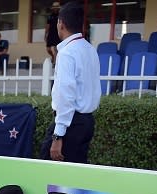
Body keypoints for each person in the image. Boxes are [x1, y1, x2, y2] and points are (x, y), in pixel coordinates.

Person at [40, 1, 100, 164]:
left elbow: (65, 95)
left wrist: (58, 135)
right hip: (86, 122)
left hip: (70, 124)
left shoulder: (67, 53)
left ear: (61, 23)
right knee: (75, 176)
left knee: (51, 172)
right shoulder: (90, 49)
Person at [45, 2, 61, 67]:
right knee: (48, 49)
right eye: (54, 8)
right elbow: (47, 26)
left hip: (57, 34)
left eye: (56, 8)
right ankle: (54, 57)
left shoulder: (61, 16)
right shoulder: (50, 16)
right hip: (50, 34)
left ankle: (54, 62)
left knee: (53, 48)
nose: (55, 9)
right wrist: (45, 34)